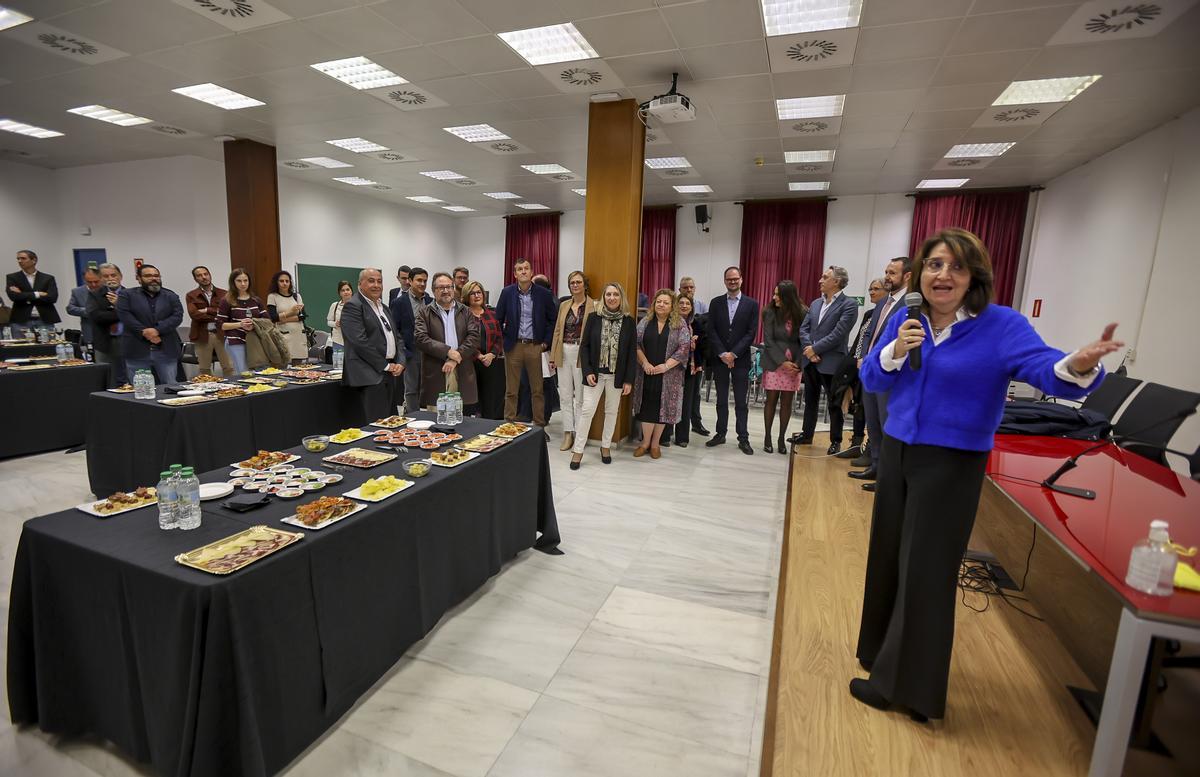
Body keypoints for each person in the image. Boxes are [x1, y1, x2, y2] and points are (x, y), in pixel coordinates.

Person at [852, 228, 1121, 723]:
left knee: (926, 574)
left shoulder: (1002, 325)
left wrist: (1078, 365)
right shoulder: (908, 319)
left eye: (955, 266)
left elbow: (1044, 369)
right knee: (889, 555)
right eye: (933, 265)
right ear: (920, 274)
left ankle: (908, 691)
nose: (943, 275)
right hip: (899, 451)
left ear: (974, 275)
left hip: (951, 463)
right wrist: (892, 352)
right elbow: (872, 376)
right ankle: (878, 654)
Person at [851, 260, 912, 488]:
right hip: (871, 371)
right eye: (886, 272)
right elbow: (870, 335)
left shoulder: (910, 304)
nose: (887, 276)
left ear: (907, 276)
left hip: (891, 376)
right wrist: (864, 357)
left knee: (887, 427)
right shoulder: (883, 302)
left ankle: (888, 477)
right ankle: (875, 465)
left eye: (892, 273)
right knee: (873, 424)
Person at [572, 282, 637, 469]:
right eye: (608, 294)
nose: (612, 298)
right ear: (604, 297)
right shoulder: (593, 318)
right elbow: (584, 347)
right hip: (595, 375)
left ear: (621, 297)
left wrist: (628, 380)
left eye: (615, 294)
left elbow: (632, 352)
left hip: (617, 376)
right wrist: (588, 371)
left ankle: (606, 446)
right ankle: (578, 450)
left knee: (611, 412)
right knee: (587, 411)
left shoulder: (629, 321)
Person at [796, 265, 859, 454]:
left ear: (837, 282)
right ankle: (807, 435)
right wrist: (809, 350)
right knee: (810, 400)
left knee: (834, 403)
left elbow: (839, 334)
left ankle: (835, 440)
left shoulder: (849, 304)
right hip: (810, 360)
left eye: (825, 277)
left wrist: (814, 348)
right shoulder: (815, 303)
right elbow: (803, 329)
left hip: (831, 362)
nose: (820, 280)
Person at [494, 258, 557, 428]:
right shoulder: (507, 292)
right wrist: (502, 342)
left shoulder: (543, 294)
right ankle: (508, 425)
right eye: (519, 269)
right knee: (512, 390)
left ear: (531, 272)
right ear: (515, 274)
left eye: (526, 268)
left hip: (535, 346)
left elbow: (553, 320)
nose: (523, 271)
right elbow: (497, 319)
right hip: (513, 346)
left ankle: (539, 426)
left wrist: (545, 342)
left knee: (537, 390)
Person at [705, 266, 760, 455]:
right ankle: (720, 434)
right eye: (729, 279)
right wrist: (723, 354)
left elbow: (751, 333)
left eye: (735, 279)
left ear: (741, 279)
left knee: (740, 402)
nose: (732, 282)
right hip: (720, 360)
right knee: (720, 400)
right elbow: (711, 330)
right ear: (724, 281)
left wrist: (733, 354)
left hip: (741, 360)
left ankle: (743, 438)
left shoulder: (752, 304)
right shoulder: (716, 303)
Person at [632, 289, 691, 459]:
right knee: (647, 407)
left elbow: (683, 348)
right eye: (659, 301)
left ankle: (655, 444)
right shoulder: (645, 321)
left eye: (665, 302)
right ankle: (644, 443)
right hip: (647, 372)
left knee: (662, 408)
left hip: (668, 375)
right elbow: (635, 344)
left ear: (672, 305)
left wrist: (666, 366)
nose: (661, 305)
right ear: (654, 303)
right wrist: (645, 363)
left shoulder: (679, 324)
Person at [341, 267, 405, 422]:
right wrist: (385, 365)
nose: (376, 285)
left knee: (390, 423)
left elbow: (397, 338)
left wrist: (400, 362)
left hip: (389, 373)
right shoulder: (353, 306)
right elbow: (359, 342)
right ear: (360, 284)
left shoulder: (384, 308)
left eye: (379, 281)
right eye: (371, 281)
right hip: (369, 375)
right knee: (376, 426)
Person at [836, 277, 886, 461]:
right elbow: (860, 340)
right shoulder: (869, 314)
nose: (871, 292)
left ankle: (872, 450)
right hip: (858, 366)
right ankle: (856, 444)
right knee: (858, 406)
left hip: (875, 367)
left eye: (876, 289)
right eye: (870, 289)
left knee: (870, 409)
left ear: (886, 291)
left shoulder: (890, 315)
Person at [415, 272, 481, 412]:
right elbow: (421, 338)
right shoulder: (424, 312)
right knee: (437, 416)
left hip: (461, 367)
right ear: (433, 291)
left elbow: (474, 336)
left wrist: (456, 357)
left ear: (453, 289)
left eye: (449, 287)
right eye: (441, 288)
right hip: (436, 369)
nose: (446, 291)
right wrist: (447, 352)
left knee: (460, 416)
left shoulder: (466, 311)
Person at [549, 270, 595, 451]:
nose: (575, 285)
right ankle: (567, 432)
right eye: (572, 283)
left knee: (581, 398)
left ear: (585, 284)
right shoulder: (564, 305)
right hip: (564, 351)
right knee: (565, 395)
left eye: (578, 282)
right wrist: (553, 356)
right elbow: (557, 331)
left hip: (582, 353)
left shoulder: (594, 305)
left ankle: (578, 433)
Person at [760, 281, 807, 454]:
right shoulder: (769, 312)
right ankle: (767, 437)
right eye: (774, 293)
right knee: (771, 401)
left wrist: (798, 364)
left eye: (778, 294)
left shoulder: (803, 312)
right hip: (774, 363)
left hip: (794, 365)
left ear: (788, 297)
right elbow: (769, 341)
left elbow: (806, 340)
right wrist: (782, 361)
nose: (774, 297)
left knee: (787, 403)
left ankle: (781, 438)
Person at [117, 264, 183, 385]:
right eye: (148, 276)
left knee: (170, 386)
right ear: (138, 278)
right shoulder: (126, 295)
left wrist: (157, 330)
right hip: (137, 349)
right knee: (141, 389)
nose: (153, 278)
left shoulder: (171, 295)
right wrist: (144, 332)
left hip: (165, 349)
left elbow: (177, 316)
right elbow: (125, 316)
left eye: (156, 276)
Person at [660, 294, 707, 448]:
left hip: (691, 369)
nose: (684, 306)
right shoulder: (670, 323)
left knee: (686, 403)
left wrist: (695, 344)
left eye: (688, 303)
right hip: (673, 367)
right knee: (669, 401)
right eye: (681, 303)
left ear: (692, 307)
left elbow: (705, 346)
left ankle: (682, 437)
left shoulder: (697, 324)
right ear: (676, 305)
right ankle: (666, 435)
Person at [390, 266, 430, 414]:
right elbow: (395, 330)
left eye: (425, 281)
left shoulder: (431, 301)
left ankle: (428, 418)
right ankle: (414, 418)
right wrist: (403, 353)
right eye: (419, 280)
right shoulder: (399, 302)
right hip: (411, 352)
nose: (422, 284)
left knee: (428, 389)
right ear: (410, 281)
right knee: (411, 389)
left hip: (429, 353)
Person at [216, 268, 271, 375]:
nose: (243, 284)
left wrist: (254, 324)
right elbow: (220, 324)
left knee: (260, 371)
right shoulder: (226, 301)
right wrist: (240, 324)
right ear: (233, 282)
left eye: (245, 280)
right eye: (239, 281)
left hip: (255, 340)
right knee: (243, 372)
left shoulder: (256, 300)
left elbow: (267, 320)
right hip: (236, 340)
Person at [463, 280, 505, 420]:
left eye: (479, 292)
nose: (476, 295)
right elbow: (462, 339)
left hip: (490, 362)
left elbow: (499, 338)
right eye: (472, 293)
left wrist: (492, 354)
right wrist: (479, 355)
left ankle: (489, 428)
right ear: (466, 296)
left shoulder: (492, 314)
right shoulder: (462, 315)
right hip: (469, 363)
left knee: (490, 399)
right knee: (471, 400)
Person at [185, 265, 234, 376]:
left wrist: (207, 310)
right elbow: (194, 314)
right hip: (202, 334)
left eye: (205, 274)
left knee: (229, 367)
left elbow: (228, 314)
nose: (203, 277)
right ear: (195, 279)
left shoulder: (224, 293)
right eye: (199, 275)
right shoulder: (191, 295)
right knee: (204, 369)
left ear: (210, 275)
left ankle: (232, 390)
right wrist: (216, 315)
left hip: (221, 333)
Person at [86, 263, 127, 387]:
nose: (110, 279)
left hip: (127, 339)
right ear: (101, 279)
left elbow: (138, 315)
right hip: (104, 340)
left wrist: (117, 308)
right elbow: (97, 317)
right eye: (106, 276)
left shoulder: (130, 294)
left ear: (120, 276)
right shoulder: (94, 295)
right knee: (106, 376)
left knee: (125, 375)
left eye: (113, 275)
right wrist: (122, 312)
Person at [6, 249, 60, 337]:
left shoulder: (47, 278)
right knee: (21, 348)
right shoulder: (13, 277)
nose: (20, 261)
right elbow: (14, 296)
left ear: (34, 260)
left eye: (23, 258)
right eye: (18, 259)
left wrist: (23, 294)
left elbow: (52, 297)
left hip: (44, 318)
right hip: (21, 320)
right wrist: (38, 294)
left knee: (46, 347)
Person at [267, 270, 307, 364]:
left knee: (298, 367)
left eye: (287, 281)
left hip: (298, 335)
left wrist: (284, 319)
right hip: (283, 335)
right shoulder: (272, 296)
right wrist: (290, 312)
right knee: (283, 365)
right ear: (276, 282)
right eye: (281, 281)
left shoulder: (296, 296)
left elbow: (302, 316)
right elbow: (273, 318)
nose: (284, 283)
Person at [67, 268, 101, 347]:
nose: (93, 285)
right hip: (89, 331)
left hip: (108, 334)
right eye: (89, 282)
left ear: (101, 278)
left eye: (96, 281)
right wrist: (88, 311)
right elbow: (70, 308)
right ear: (84, 280)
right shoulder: (77, 292)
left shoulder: (108, 290)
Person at [326, 280, 353, 354]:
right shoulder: (335, 305)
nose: (346, 292)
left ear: (351, 291)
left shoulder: (358, 306)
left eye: (348, 289)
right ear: (340, 293)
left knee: (352, 364)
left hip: (353, 341)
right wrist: (335, 324)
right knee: (338, 364)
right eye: (343, 290)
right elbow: (328, 322)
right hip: (338, 340)